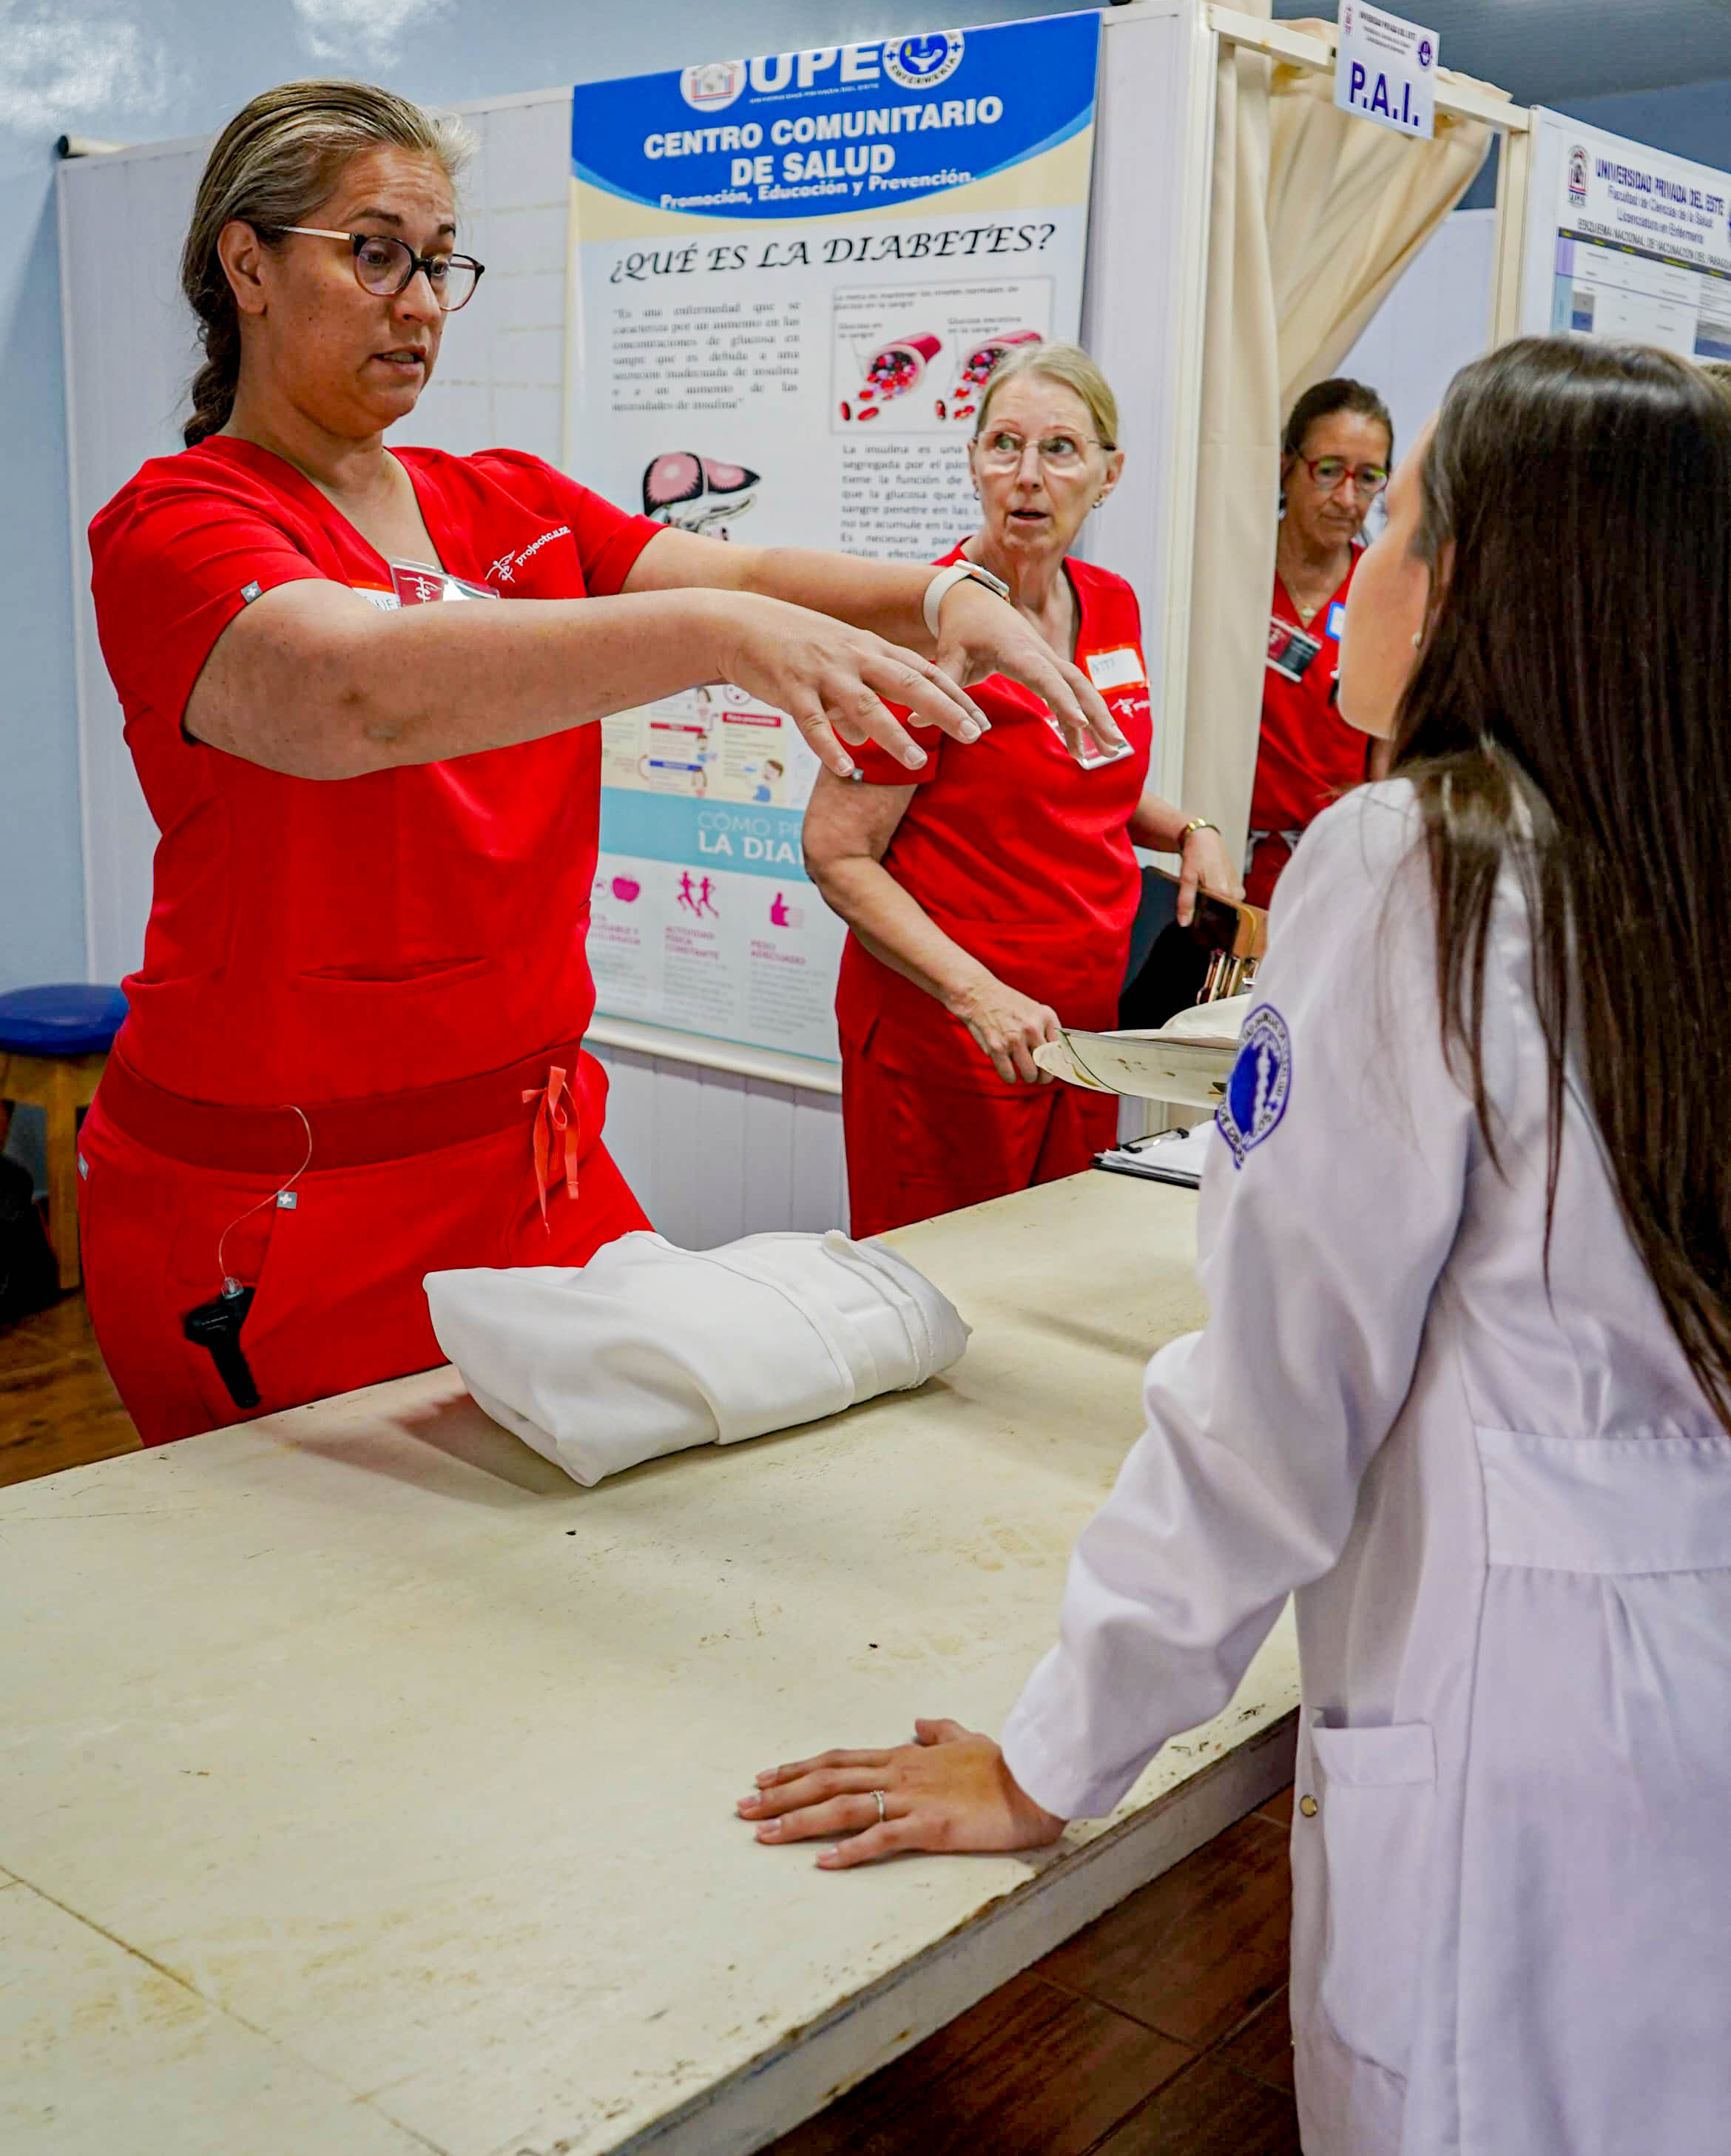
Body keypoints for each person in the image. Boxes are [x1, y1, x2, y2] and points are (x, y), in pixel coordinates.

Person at [740, 335, 1731, 2156]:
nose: (1347, 568)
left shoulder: (1425, 858)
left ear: (1489, 583)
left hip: (1533, 1764)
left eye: (1389, 522)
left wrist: (1046, 1752)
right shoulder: (1684, 858)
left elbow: (1275, 1406)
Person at [80, 81, 1123, 1446]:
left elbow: (742, 562)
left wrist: (944, 600)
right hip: (276, 1202)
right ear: (248, 264)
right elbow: (345, 696)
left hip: (532, 1163)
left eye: (439, 260)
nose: (421, 302)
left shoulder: (498, 501)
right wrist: (713, 634)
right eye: (375, 251)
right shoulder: (180, 523)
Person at [801, 344, 1240, 1236]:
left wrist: (1190, 825)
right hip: (953, 1037)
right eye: (1005, 445)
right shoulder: (920, 626)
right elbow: (837, 851)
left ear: (1109, 473)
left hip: (1086, 1030)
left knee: (1055, 1271)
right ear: (973, 462)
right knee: (946, 1304)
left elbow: (1083, 774)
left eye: (1061, 450)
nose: (1029, 478)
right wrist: (977, 995)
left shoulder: (1110, 602)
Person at [1245, 376, 1392, 907]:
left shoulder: (1383, 591)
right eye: (1329, 471)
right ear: (1288, 465)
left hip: (1334, 873)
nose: (1347, 498)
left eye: (1368, 477)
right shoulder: (1237, 575)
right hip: (1229, 865)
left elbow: (1386, 756)